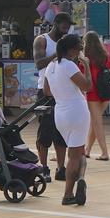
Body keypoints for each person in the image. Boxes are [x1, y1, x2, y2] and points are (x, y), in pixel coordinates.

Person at [43, 33, 91, 206]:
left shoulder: (51, 66)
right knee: (75, 155)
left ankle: (81, 178)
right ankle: (68, 193)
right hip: (76, 111)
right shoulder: (69, 65)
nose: (80, 50)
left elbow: (47, 91)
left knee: (77, 152)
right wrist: (87, 67)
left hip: (60, 112)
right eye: (79, 47)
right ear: (71, 50)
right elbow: (87, 86)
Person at [32, 13, 73, 183]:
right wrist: (57, 55)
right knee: (45, 131)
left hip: (63, 92)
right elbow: (39, 63)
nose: (66, 29)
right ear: (55, 24)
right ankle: (43, 167)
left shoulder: (67, 42)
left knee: (61, 132)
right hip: (46, 90)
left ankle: (61, 168)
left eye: (68, 27)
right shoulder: (42, 40)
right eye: (64, 26)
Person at [82, 30, 110, 161]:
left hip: (93, 93)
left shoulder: (85, 58)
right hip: (106, 92)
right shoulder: (106, 56)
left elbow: (83, 77)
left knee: (97, 123)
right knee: (95, 121)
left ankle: (105, 152)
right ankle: (87, 150)